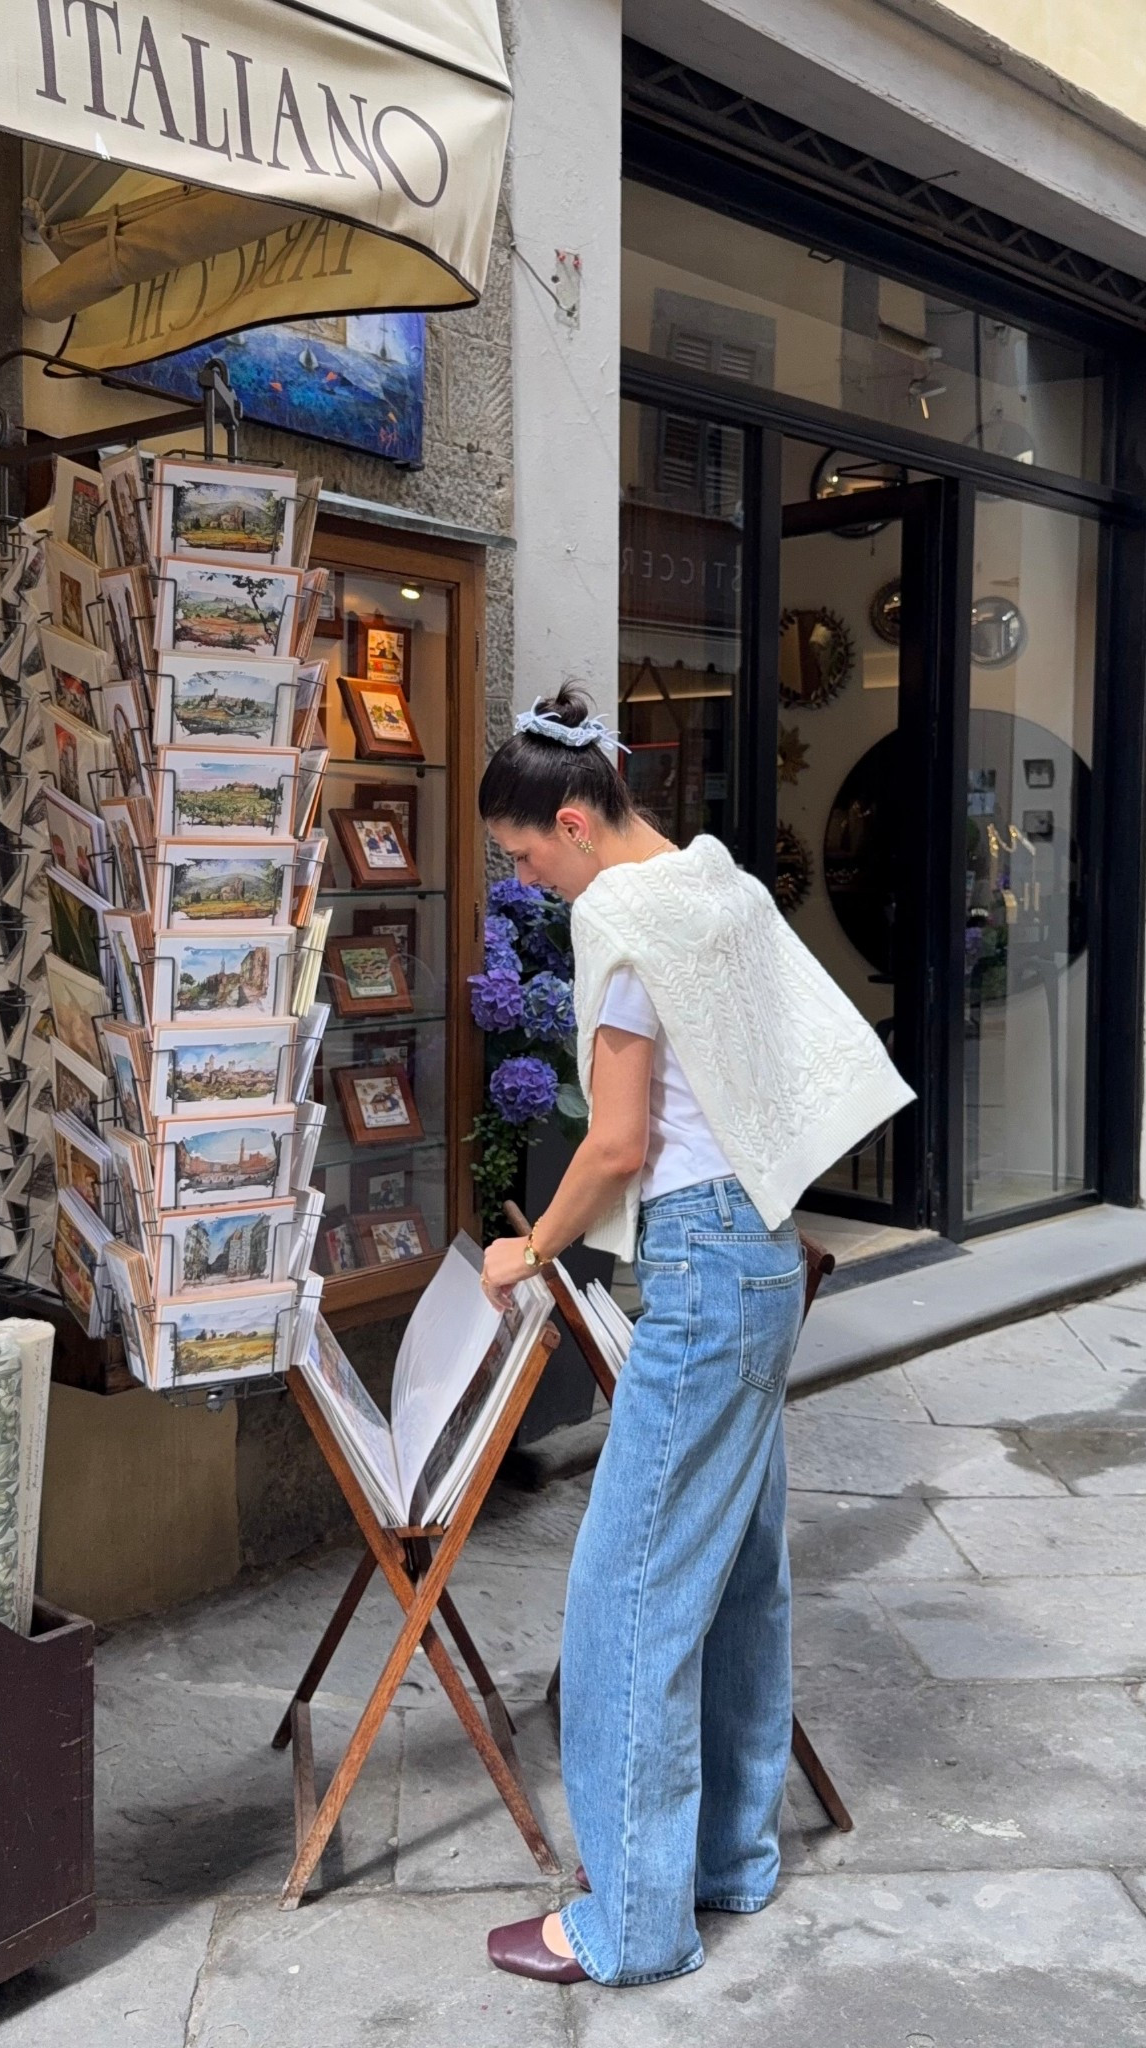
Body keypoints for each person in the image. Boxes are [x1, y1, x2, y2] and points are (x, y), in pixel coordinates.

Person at [477, 687, 912, 1988]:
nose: (531, 884)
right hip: (764, 1253)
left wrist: (531, 1246)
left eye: (522, 858)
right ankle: (730, 1859)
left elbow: (613, 1144)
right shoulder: (716, 881)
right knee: (735, 1574)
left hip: (706, 1263)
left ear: (568, 818)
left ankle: (629, 1918)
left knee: (623, 1598)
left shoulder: (617, 907)